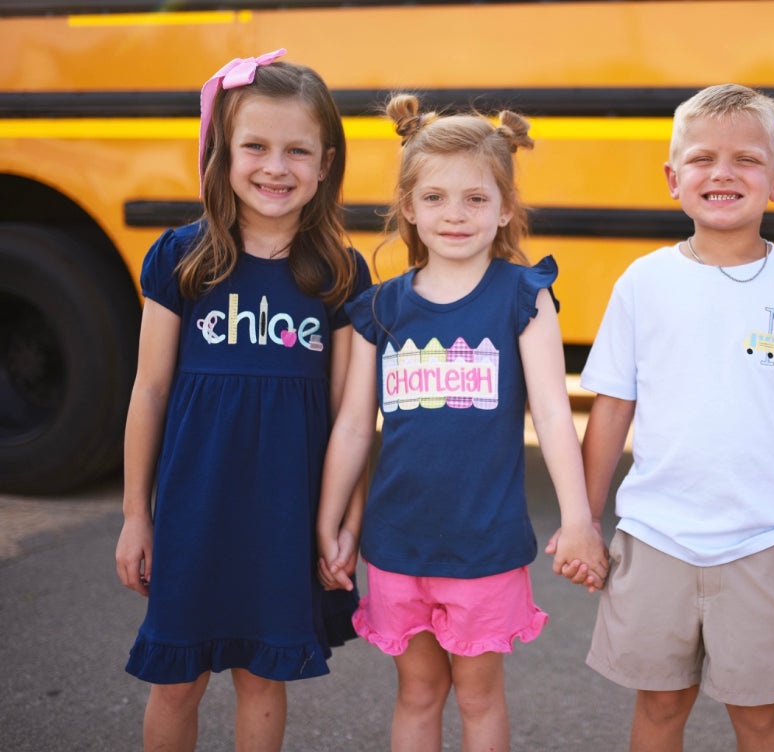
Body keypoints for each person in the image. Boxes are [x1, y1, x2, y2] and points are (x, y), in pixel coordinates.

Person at [315, 93, 609, 752]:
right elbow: (355, 427)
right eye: (436, 198)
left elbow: (555, 414)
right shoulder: (380, 309)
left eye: (476, 199)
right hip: (397, 547)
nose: (455, 214)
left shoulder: (522, 296)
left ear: (505, 208)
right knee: (417, 693)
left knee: (478, 696)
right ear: (409, 208)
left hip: (484, 548)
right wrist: (329, 523)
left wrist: (579, 520)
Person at [577, 83, 774, 752]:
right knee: (661, 705)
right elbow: (612, 409)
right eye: (702, 158)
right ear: (673, 179)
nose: (723, 174)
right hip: (656, 533)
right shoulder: (643, 281)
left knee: (759, 716)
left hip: (764, 541)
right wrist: (583, 521)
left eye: (748, 160)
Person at [114, 49, 370, 752]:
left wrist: (347, 522)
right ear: (221, 154)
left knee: (263, 676)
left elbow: (355, 414)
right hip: (195, 510)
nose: (275, 167)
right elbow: (151, 389)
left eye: (297, 150)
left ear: (326, 163)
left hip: (286, 516)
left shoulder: (341, 273)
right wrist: (138, 515)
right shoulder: (182, 258)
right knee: (177, 677)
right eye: (254, 147)